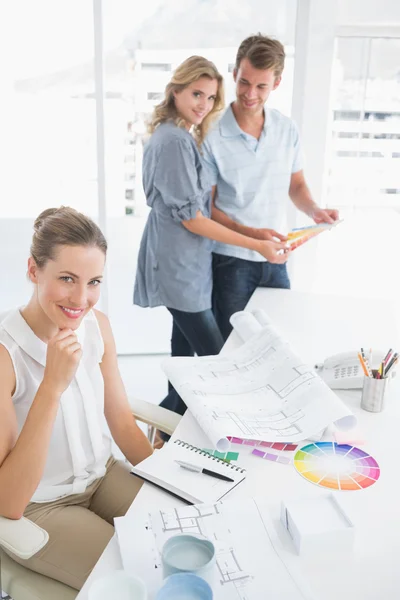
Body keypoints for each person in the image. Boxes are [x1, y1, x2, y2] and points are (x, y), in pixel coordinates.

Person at [0, 207, 153, 590]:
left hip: (103, 476)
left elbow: (121, 421)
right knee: (141, 579)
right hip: (43, 506)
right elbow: (9, 500)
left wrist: (175, 486)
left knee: (183, 535)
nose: (82, 299)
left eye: (94, 282)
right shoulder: (6, 355)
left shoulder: (97, 326)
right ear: (34, 271)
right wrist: (52, 386)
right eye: (67, 279)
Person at [134, 55, 289, 420]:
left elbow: (199, 210)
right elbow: (193, 219)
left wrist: (253, 232)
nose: (203, 105)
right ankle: (162, 430)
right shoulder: (174, 142)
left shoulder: (180, 135)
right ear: (175, 92)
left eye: (209, 98)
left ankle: (163, 433)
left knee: (183, 362)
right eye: (196, 94)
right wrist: (257, 245)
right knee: (220, 363)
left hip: (188, 263)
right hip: (178, 266)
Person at [202, 34, 340, 340]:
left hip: (276, 257)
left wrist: (315, 210)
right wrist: (254, 236)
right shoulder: (211, 134)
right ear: (234, 74)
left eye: (261, 86)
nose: (250, 94)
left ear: (276, 83)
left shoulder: (285, 128)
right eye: (244, 82)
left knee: (278, 343)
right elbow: (207, 209)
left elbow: (297, 184)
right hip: (230, 261)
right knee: (232, 346)